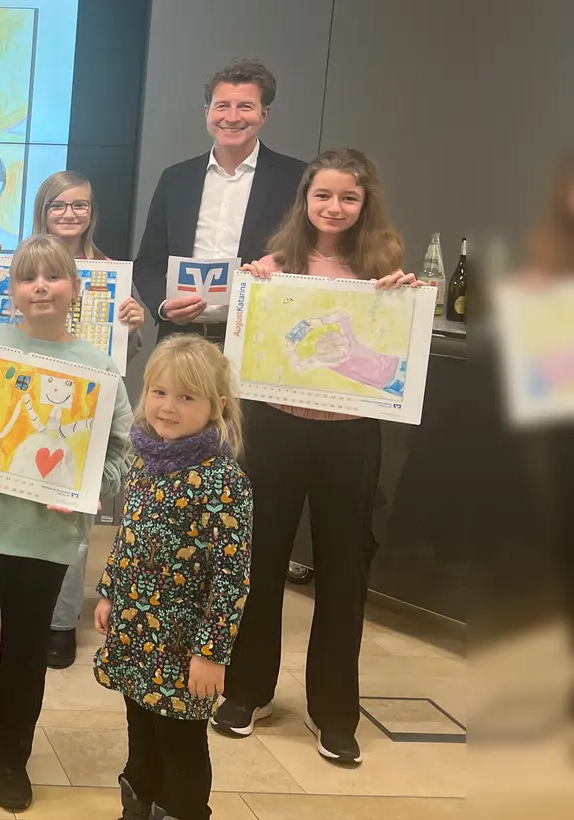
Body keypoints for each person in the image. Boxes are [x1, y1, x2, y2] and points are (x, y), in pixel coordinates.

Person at [213, 148, 420, 766]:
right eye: (323, 195)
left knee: (343, 570)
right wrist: (251, 291)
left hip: (351, 435)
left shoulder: (386, 271)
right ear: (305, 200)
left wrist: (404, 301)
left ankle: (335, 712)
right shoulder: (276, 266)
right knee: (261, 558)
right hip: (276, 429)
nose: (334, 207)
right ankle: (247, 691)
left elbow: (393, 350)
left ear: (365, 204)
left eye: (348, 198)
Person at [0, 234, 132, 812]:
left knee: (25, 650)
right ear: (10, 292)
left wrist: (87, 489)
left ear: (76, 290)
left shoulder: (99, 367)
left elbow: (121, 454)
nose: (41, 286)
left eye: (53, 277)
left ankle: (12, 753)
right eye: (28, 278)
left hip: (48, 539)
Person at [92, 335, 253, 820]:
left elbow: (232, 578)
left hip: (184, 644)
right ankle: (137, 805)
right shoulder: (145, 459)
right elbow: (129, 536)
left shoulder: (224, 482)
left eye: (187, 397)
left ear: (216, 406)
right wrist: (108, 592)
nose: (168, 407)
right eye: (159, 392)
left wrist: (211, 653)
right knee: (139, 727)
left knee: (180, 742)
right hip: (135, 627)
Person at [16, 170, 149, 668]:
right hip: (25, 398)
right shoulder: (21, 260)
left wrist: (135, 326)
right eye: (59, 205)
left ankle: (61, 621)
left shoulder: (113, 271)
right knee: (23, 512)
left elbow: (123, 355)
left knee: (71, 513)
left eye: (81, 206)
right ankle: (24, 608)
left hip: (81, 407)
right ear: (42, 209)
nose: (70, 214)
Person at [133, 59, 308, 344]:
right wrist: (164, 306)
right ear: (207, 112)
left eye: (245, 106)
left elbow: (308, 257)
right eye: (222, 106)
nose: (232, 117)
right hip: (179, 339)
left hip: (258, 340)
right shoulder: (176, 179)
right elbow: (148, 263)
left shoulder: (296, 179)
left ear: (264, 114)